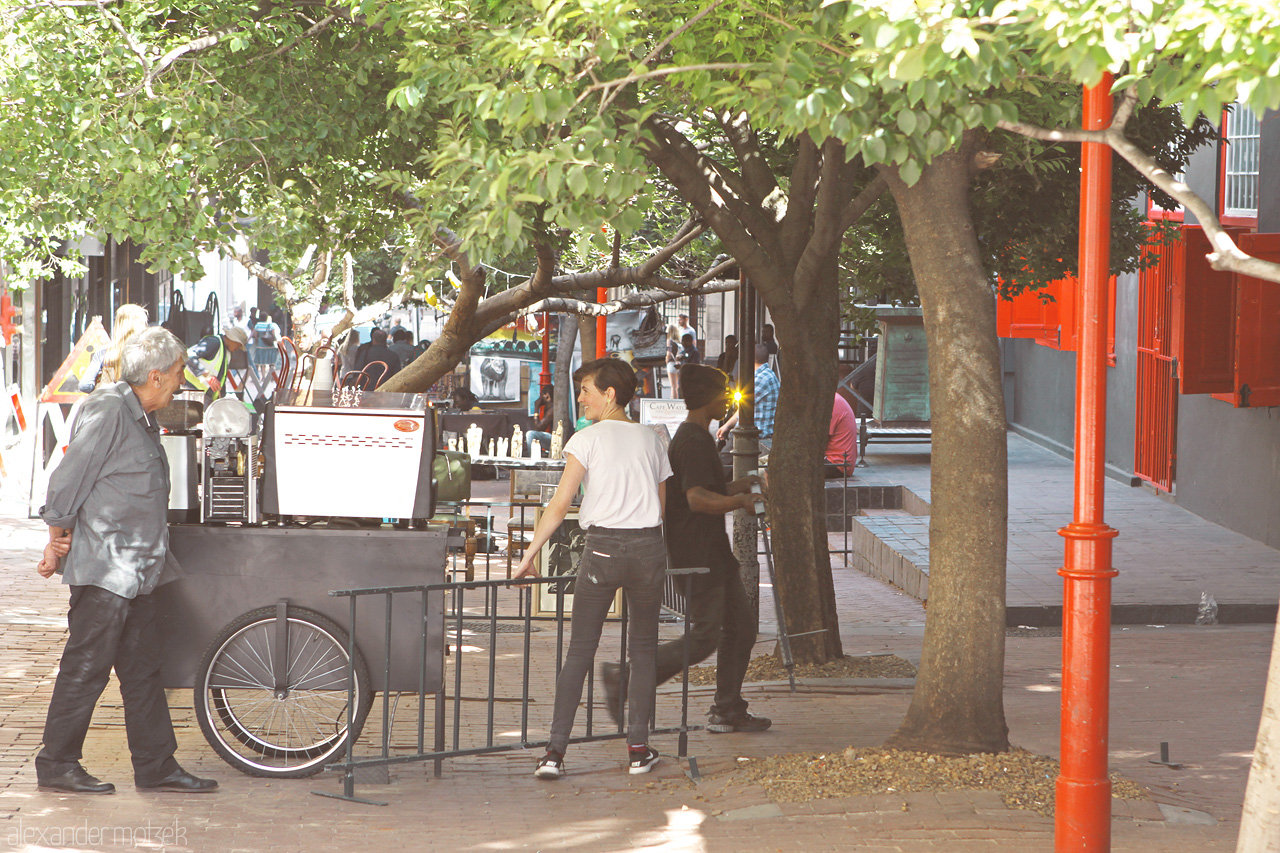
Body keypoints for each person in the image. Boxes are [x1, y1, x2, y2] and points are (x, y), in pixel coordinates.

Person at [36, 326, 218, 795]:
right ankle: (56, 764)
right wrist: (54, 537)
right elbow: (66, 480)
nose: (182, 382)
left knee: (142, 670)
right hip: (106, 570)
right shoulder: (110, 409)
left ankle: (156, 766)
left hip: (136, 569)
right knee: (86, 667)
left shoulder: (136, 413)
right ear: (155, 376)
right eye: (178, 374)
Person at [515, 359, 672, 780]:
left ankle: (554, 753)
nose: (580, 397)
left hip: (602, 549)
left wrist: (530, 554)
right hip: (647, 548)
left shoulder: (586, 440)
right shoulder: (653, 438)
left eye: (586, 389)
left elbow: (561, 504)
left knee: (581, 649)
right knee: (642, 651)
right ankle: (638, 749)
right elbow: (661, 507)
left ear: (610, 394)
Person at [606, 364, 771, 735]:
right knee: (705, 636)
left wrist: (736, 486)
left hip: (713, 553)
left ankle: (728, 708)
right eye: (724, 393)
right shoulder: (694, 441)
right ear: (708, 399)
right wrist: (739, 503)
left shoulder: (697, 436)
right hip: (699, 555)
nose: (728, 400)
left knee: (741, 630)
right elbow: (696, 500)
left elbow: (702, 489)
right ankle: (626, 679)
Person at [716, 344, 779, 452]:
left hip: (752, 435)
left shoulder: (761, 379)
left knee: (724, 461)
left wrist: (727, 426)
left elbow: (742, 408)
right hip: (757, 433)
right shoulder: (769, 374)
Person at [79, 304, 149, 393]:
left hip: (108, 404)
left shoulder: (104, 352)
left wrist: (99, 389)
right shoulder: (147, 353)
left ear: (118, 324)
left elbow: (84, 385)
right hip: (137, 405)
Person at [183, 324, 248, 402]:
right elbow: (188, 355)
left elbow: (221, 379)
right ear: (233, 340)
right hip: (192, 390)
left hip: (206, 395)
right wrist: (207, 375)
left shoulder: (227, 353)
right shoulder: (214, 342)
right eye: (238, 345)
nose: (238, 348)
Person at [825, 391, 858, 477]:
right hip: (839, 462)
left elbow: (819, 441)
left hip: (836, 464)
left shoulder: (830, 403)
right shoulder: (833, 399)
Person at [528, 386, 554, 455]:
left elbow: (538, 428)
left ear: (547, 396)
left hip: (556, 440)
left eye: (541, 395)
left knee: (530, 434)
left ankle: (532, 460)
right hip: (553, 437)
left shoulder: (552, 410)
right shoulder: (549, 407)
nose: (540, 398)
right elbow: (542, 429)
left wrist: (536, 408)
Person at [664, 324, 681, 398]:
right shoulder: (678, 341)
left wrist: (666, 361)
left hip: (671, 364)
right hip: (679, 364)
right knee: (677, 385)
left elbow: (669, 353)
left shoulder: (669, 341)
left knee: (673, 386)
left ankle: (673, 401)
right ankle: (678, 400)